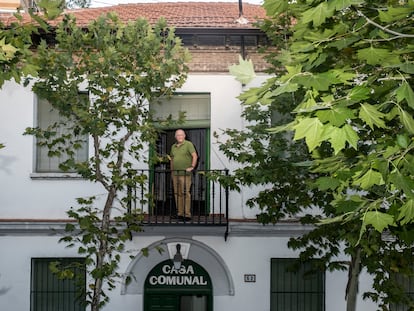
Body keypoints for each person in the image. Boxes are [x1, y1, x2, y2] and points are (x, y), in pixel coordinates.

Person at [170, 129, 198, 221]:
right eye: (178, 135)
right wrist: (171, 171)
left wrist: (192, 166)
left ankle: (187, 214)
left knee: (185, 193)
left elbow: (195, 156)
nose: (179, 136)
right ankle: (180, 213)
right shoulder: (173, 146)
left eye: (181, 135)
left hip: (185, 174)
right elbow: (172, 159)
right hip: (175, 174)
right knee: (177, 194)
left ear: (184, 135)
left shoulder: (188, 144)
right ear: (175, 137)